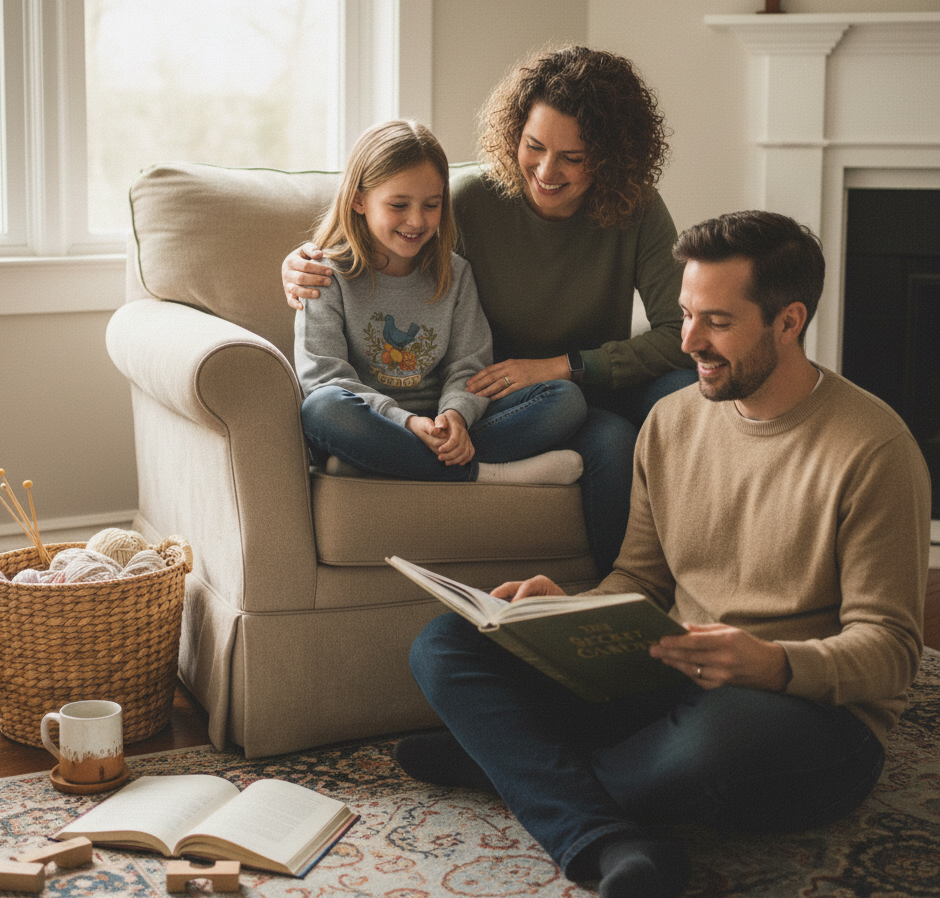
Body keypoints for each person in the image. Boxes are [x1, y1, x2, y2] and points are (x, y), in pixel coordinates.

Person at [394, 211, 932, 897]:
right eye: (684, 315)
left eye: (718, 322)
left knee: (711, 743)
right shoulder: (672, 422)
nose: (690, 342)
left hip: (803, 716)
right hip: (673, 678)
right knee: (445, 645)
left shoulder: (873, 450)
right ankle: (604, 831)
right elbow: (640, 581)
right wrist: (570, 610)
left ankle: (520, 768)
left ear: (789, 321)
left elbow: (891, 652)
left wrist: (772, 662)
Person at [284, 46, 697, 574]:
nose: (547, 171)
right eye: (534, 146)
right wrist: (302, 264)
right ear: (514, 135)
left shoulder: (636, 207)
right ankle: (480, 471)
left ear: (612, 157)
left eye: (573, 158)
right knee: (612, 443)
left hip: (555, 392)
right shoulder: (470, 202)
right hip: (490, 398)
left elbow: (680, 332)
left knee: (675, 396)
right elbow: (387, 228)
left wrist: (560, 367)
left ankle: (650, 594)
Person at [295, 119, 588, 485]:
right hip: (370, 421)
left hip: (444, 422)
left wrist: (456, 417)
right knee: (322, 409)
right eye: (399, 205)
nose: (416, 220)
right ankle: (483, 473)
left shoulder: (454, 272)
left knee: (565, 399)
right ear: (358, 199)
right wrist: (405, 422)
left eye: (431, 205)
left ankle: (381, 463)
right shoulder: (323, 275)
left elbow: (469, 366)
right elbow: (325, 377)